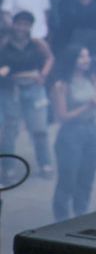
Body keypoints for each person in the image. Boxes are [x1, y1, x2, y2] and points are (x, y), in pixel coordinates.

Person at [50, 45, 96, 220]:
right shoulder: (62, 85)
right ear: (73, 60)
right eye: (81, 57)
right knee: (68, 178)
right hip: (71, 134)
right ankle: (61, 218)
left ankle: (81, 214)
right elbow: (63, 115)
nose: (86, 60)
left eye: (87, 56)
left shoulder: (91, 78)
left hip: (91, 130)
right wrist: (88, 105)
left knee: (87, 176)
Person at [0, 11, 54, 178]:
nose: (22, 28)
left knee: (39, 129)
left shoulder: (36, 43)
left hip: (34, 88)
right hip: (12, 89)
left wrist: (43, 75)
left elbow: (50, 58)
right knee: (10, 130)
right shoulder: (4, 44)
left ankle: (45, 164)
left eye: (26, 24)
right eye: (19, 24)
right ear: (13, 25)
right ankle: (8, 167)